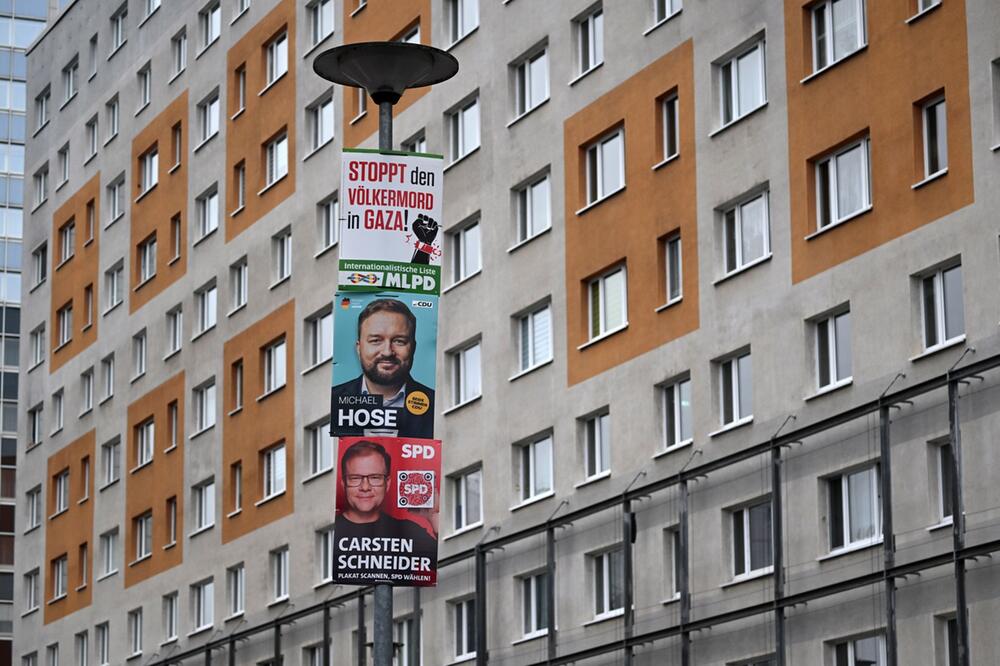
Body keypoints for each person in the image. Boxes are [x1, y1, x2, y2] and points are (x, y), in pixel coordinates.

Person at [334, 440, 437, 581]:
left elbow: (444, 562)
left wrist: (433, 515)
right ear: (343, 484)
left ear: (387, 484)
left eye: (375, 478)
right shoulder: (333, 533)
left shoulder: (407, 530)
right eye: (355, 478)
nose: (365, 487)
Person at [331, 298, 435, 438]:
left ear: (413, 348)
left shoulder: (435, 403)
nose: (387, 352)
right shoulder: (334, 400)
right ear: (359, 348)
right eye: (376, 340)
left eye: (399, 341)